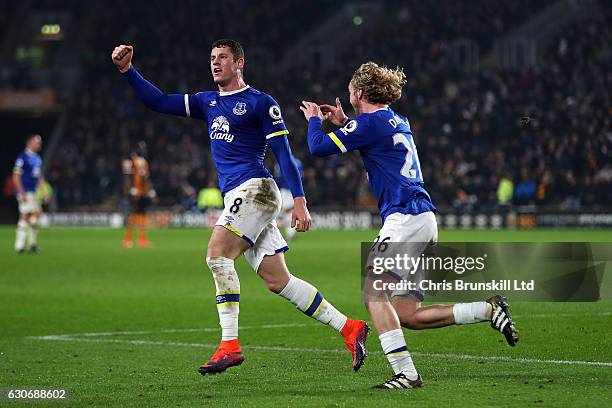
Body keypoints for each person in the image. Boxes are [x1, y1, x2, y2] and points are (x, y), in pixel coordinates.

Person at [111, 39, 368, 376]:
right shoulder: (207, 101)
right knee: (279, 281)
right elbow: (158, 101)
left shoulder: (261, 103)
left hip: (256, 190)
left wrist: (301, 202)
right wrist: (128, 71)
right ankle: (350, 327)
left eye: (222, 58)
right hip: (241, 196)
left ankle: (229, 345)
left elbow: (284, 155)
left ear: (239, 63)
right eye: (212, 58)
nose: (215, 63)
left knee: (217, 253)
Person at [301, 62, 519, 389]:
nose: (348, 96)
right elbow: (372, 138)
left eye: (350, 92)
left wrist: (315, 122)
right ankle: (487, 309)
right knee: (407, 314)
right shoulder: (396, 120)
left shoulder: (371, 123)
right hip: (424, 220)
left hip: (404, 217)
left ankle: (407, 374)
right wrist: (346, 122)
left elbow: (318, 148)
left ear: (359, 93)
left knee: (374, 293)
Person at [13, 134, 47, 253]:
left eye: (39, 143)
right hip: (25, 191)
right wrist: (21, 191)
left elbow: (38, 177)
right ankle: (19, 246)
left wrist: (44, 191)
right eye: (36, 142)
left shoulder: (37, 158)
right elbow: (16, 176)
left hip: (33, 192)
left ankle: (31, 244)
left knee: (35, 216)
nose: (39, 145)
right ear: (29, 143)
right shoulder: (23, 157)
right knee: (25, 215)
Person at [122, 140, 156, 248]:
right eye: (141, 148)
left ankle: (142, 239)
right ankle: (127, 239)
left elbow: (146, 178)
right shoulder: (131, 160)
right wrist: (131, 189)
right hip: (135, 191)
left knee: (142, 214)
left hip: (142, 192)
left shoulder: (144, 162)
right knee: (134, 213)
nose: (143, 150)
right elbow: (127, 176)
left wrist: (150, 190)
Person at [273, 158, 303, 241]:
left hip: (284, 190)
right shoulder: (298, 162)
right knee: (287, 212)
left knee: (288, 213)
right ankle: (287, 234)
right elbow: (300, 177)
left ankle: (289, 234)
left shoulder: (278, 163)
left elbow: (277, 178)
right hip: (291, 190)